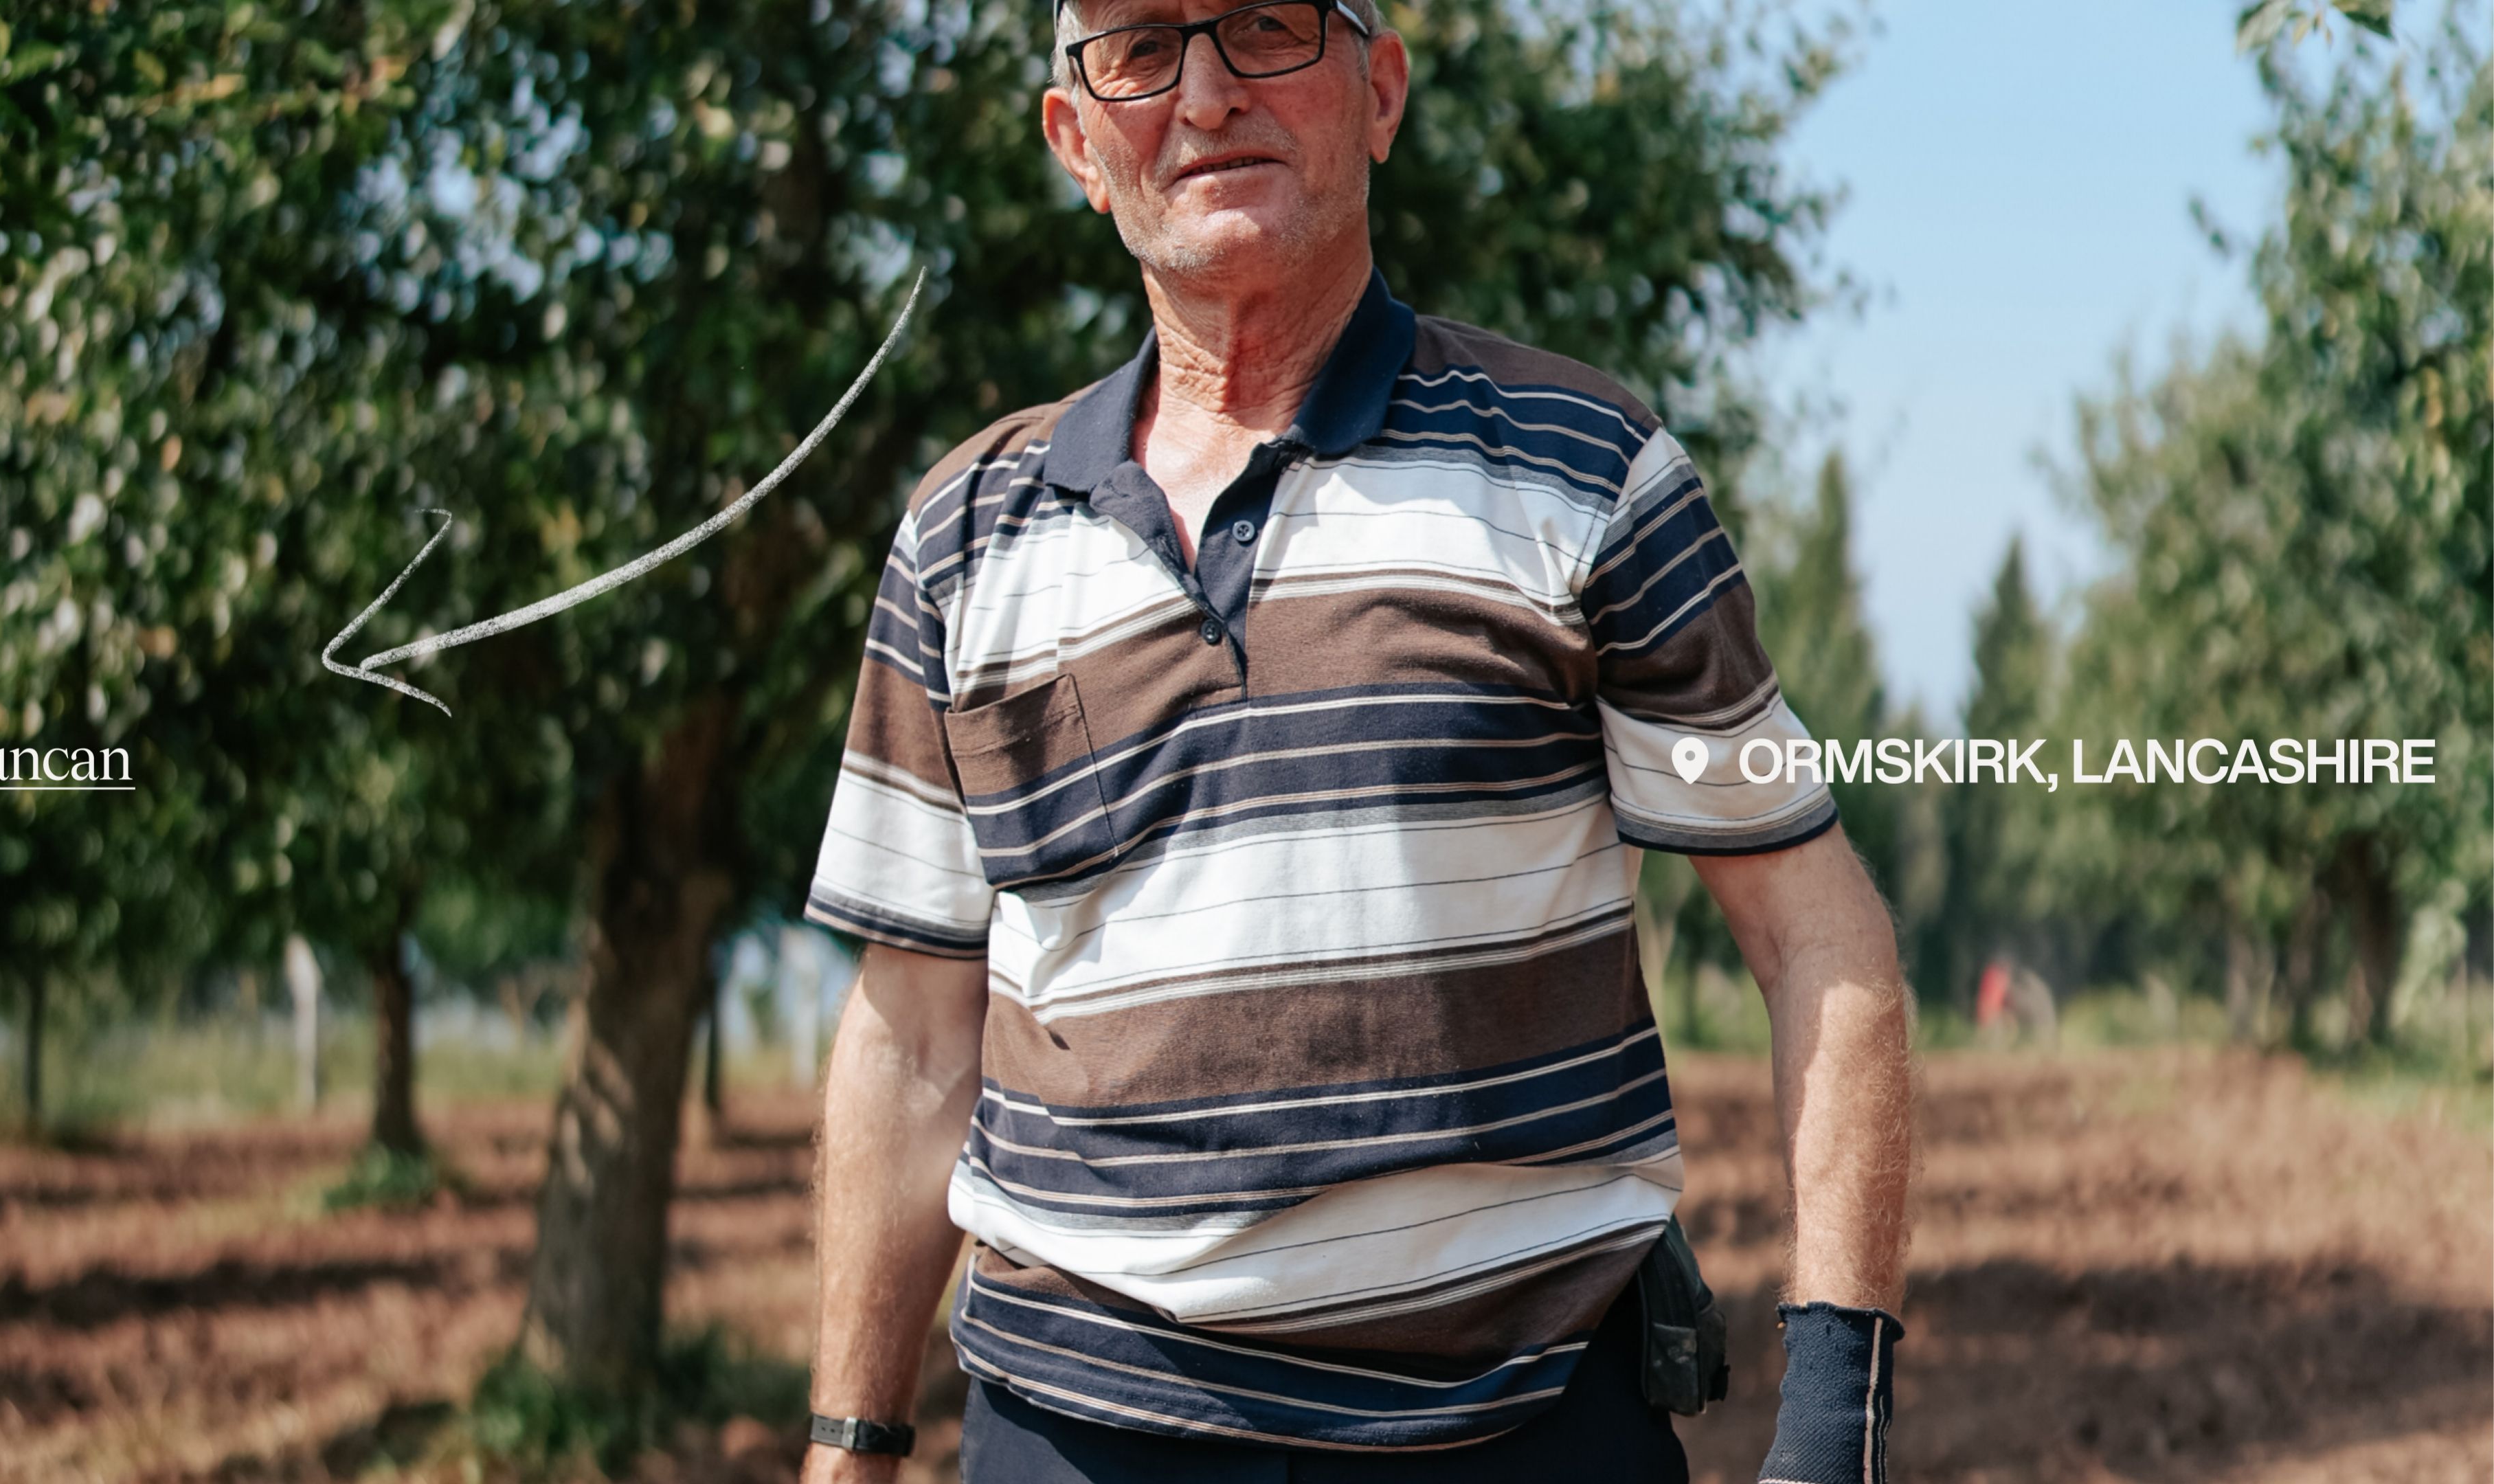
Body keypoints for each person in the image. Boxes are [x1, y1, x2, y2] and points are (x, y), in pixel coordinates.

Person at [798, 0, 1913, 1477]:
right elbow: (913, 1034)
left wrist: (1832, 1426)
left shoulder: (1587, 475)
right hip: (1075, 1434)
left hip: (1520, 1429)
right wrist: (850, 1447)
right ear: (1076, 141)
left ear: (1380, 90)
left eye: (1264, 25)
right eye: (1139, 52)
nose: (1206, 96)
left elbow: (1816, 936)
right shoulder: (963, 536)